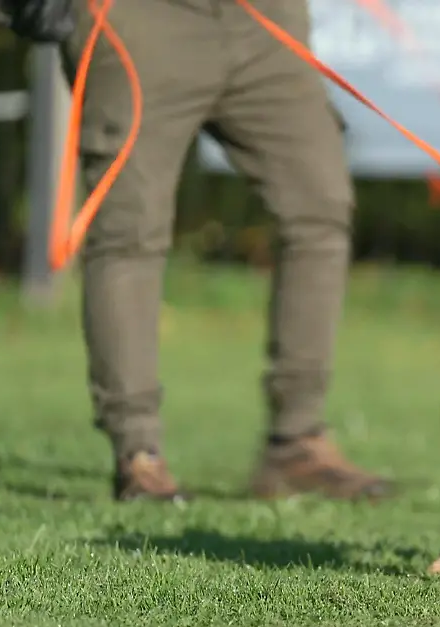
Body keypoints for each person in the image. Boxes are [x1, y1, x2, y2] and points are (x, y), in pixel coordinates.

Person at [52, 0, 392, 501]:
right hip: (141, 17)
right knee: (129, 230)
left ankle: (296, 443)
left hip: (264, 19)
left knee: (320, 205)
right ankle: (137, 452)